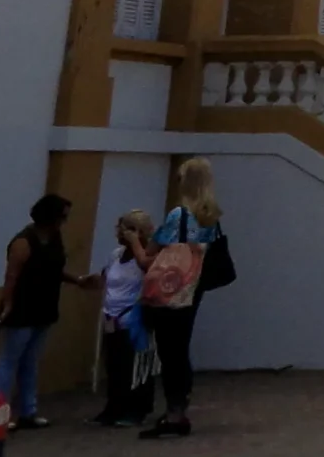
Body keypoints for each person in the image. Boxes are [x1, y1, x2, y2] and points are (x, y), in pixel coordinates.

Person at [0, 192, 101, 429]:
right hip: (22, 308)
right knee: (10, 360)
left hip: (45, 306)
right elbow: (12, 276)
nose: (64, 221)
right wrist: (6, 305)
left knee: (31, 360)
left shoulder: (54, 238)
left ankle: (28, 411)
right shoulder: (24, 241)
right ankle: (0, 413)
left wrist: (78, 280)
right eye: (62, 216)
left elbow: (54, 270)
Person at [141, 157, 224, 440]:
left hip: (173, 284)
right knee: (180, 346)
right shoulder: (210, 216)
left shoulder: (179, 215)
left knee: (169, 349)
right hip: (194, 285)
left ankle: (174, 411)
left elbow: (153, 250)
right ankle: (179, 407)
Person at [95, 210, 160, 427]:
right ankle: (114, 406)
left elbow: (148, 272)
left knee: (134, 364)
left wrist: (136, 245)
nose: (119, 233)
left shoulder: (146, 257)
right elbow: (106, 276)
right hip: (111, 315)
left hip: (133, 317)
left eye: (125, 228)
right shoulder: (115, 255)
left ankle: (137, 408)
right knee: (114, 364)